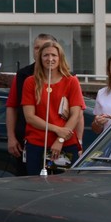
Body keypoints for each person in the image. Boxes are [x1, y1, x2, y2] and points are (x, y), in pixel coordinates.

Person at [21, 39, 84, 174]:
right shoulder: (30, 82)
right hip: (37, 144)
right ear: (40, 58)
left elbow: (76, 114)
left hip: (65, 144)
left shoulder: (71, 81)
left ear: (60, 57)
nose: (50, 59)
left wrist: (60, 139)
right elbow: (30, 117)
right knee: (36, 182)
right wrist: (57, 129)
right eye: (46, 55)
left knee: (64, 183)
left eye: (54, 55)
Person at [4, 33, 63, 173]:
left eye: (44, 47)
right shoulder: (23, 76)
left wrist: (68, 139)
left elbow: (77, 112)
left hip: (57, 142)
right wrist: (11, 137)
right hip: (27, 142)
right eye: (37, 48)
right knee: (29, 180)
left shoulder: (67, 77)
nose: (40, 51)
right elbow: (12, 106)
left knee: (58, 180)